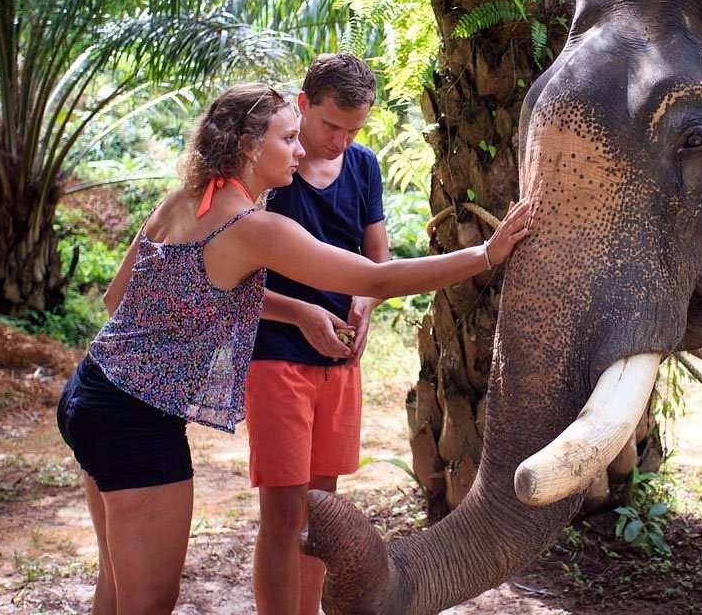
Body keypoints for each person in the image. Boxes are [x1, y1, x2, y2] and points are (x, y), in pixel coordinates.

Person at [55, 82, 530, 614]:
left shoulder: (183, 200)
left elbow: (117, 299)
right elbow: (377, 278)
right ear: (249, 146)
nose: (300, 149)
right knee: (148, 603)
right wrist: (486, 255)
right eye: (287, 138)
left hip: (89, 393)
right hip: (135, 422)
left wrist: (293, 311)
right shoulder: (253, 227)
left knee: (116, 589)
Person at [245, 54, 386, 615]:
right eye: (331, 126)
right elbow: (229, 278)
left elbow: (377, 261)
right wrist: (302, 313)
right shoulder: (269, 169)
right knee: (284, 516)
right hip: (276, 356)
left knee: (321, 513)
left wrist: (365, 304)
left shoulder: (364, 165)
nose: (340, 141)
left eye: (353, 130)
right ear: (303, 105)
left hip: (340, 361)